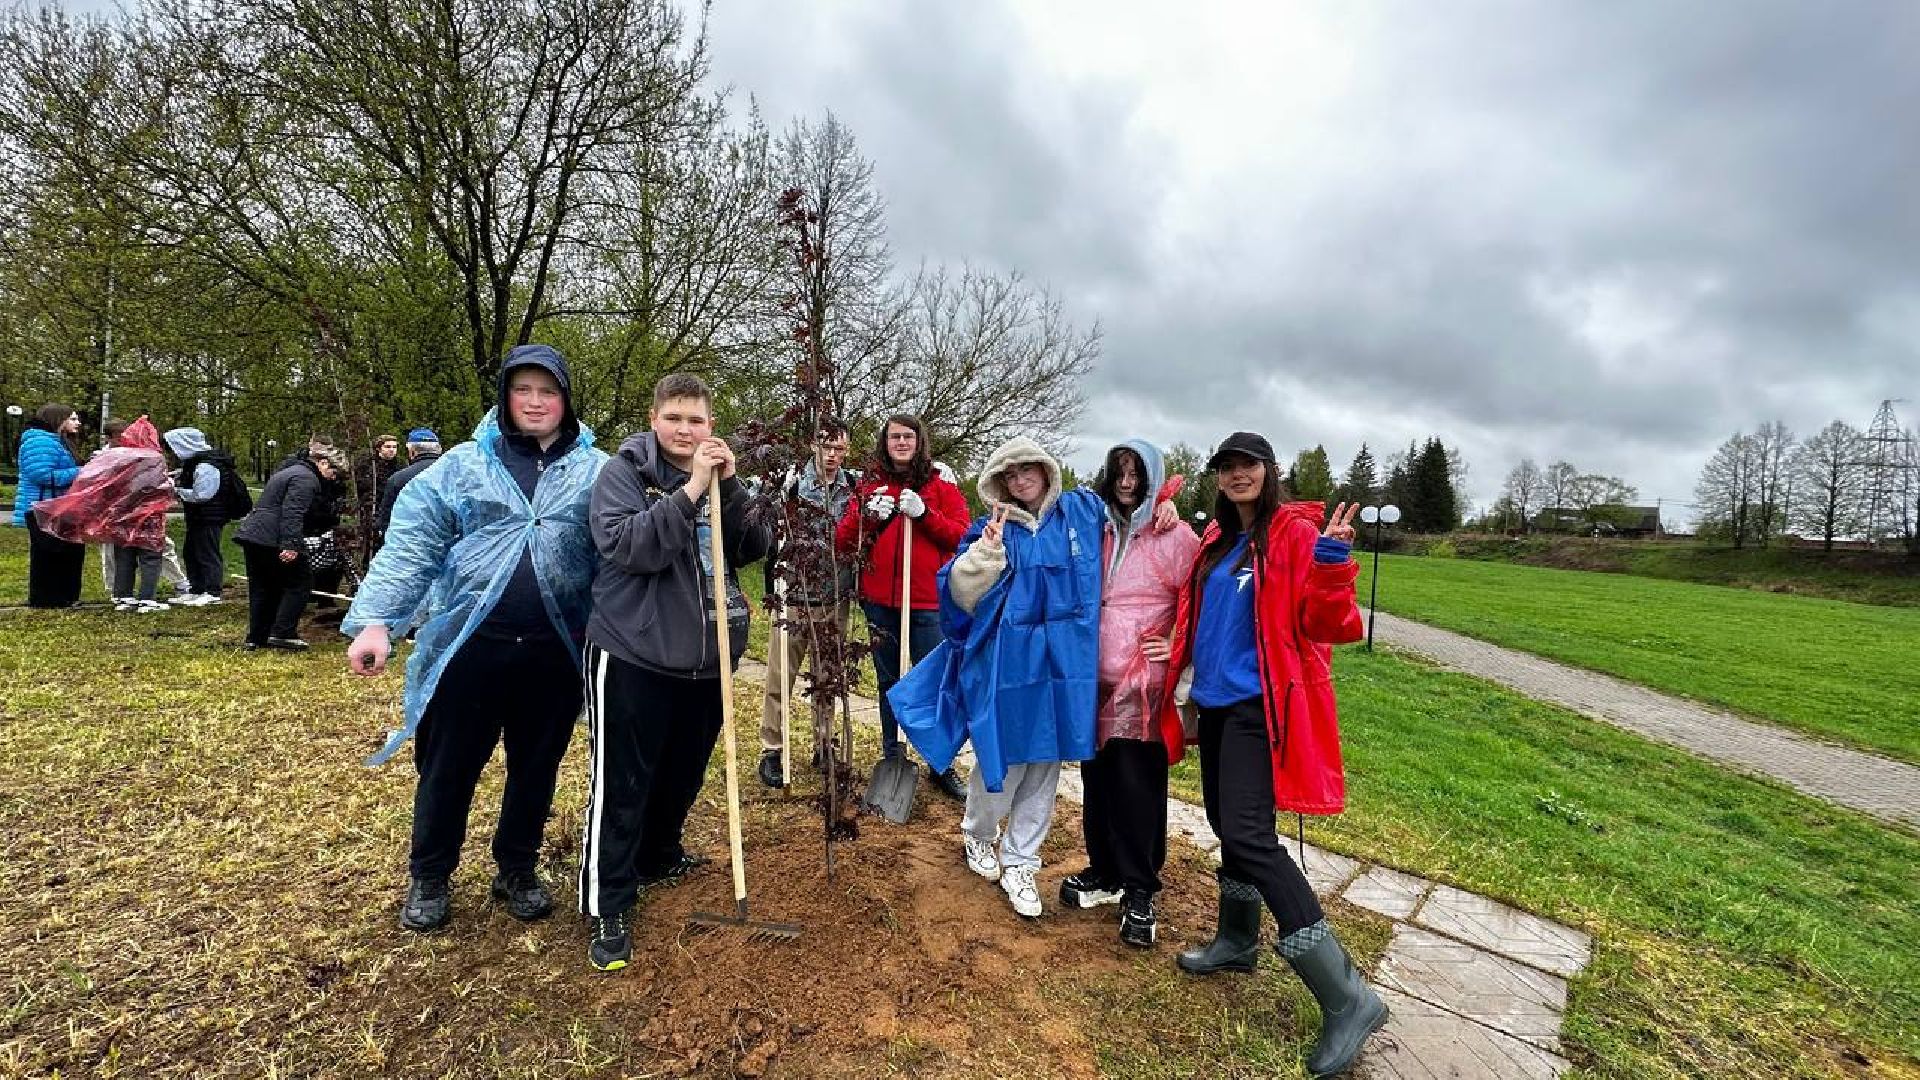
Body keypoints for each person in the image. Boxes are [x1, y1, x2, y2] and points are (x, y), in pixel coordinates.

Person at [345, 345, 607, 935]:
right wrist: (378, 621)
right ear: (505, 398)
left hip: (553, 650)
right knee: (449, 767)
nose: (536, 402)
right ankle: (430, 875)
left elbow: (629, 543)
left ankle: (516, 868)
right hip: (470, 646)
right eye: (524, 390)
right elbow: (412, 545)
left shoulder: (596, 473)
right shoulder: (463, 467)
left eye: (548, 391)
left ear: (566, 400)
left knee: (536, 768)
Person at [1153, 431, 1383, 1078]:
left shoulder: (1292, 536)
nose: (1236, 474)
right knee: (1230, 826)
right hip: (1219, 706)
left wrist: (1335, 563)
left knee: (1252, 838)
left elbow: (1330, 623)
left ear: (1268, 470)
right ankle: (1236, 940)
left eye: (1246, 464)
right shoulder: (1219, 542)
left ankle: (1348, 997)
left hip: (1261, 708)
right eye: (1225, 467)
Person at [578, 373, 772, 972]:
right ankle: (608, 901)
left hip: (706, 658)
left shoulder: (720, 477)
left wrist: (731, 488)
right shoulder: (624, 474)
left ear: (711, 425)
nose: (686, 430)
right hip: (633, 653)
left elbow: (751, 547)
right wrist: (689, 493)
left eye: (697, 421)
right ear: (654, 418)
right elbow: (631, 548)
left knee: (683, 771)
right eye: (675, 418)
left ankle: (658, 854)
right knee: (623, 781)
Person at [891, 435, 1107, 919]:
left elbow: (1124, 508)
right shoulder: (993, 529)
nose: (1019, 479)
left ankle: (1021, 861)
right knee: (1003, 760)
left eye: (1027, 469)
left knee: (1046, 767)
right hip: (1010, 666)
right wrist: (985, 556)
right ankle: (979, 833)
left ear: (1046, 471)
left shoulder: (1075, 517)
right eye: (1009, 474)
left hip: (1061, 667)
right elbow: (960, 596)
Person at [1059, 439, 1201, 948]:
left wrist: (1178, 644)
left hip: (1143, 681)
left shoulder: (1176, 535)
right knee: (1097, 779)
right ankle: (1105, 869)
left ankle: (1140, 886)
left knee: (1138, 783)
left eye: (1136, 473)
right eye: (1118, 471)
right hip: (1093, 676)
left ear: (1152, 477)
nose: (1126, 482)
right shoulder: (1095, 528)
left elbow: (1196, 598)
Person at [833, 414, 972, 799]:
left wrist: (925, 515)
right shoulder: (870, 485)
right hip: (881, 603)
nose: (901, 443)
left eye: (907, 436)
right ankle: (892, 755)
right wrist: (868, 517)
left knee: (934, 685)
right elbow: (844, 541)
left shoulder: (940, 486)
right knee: (889, 682)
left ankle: (939, 763)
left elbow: (962, 535)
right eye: (894, 436)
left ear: (918, 441)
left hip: (927, 601)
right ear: (886, 441)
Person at [757, 422, 860, 788]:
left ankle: (824, 745)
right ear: (813, 444)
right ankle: (772, 749)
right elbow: (753, 502)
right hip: (794, 597)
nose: (832, 455)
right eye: (826, 446)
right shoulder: (793, 484)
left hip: (835, 599)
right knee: (779, 677)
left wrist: (933, 481)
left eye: (839, 448)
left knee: (827, 678)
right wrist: (773, 489)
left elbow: (890, 482)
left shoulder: (855, 488)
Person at [31, 416, 177, 612]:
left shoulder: (118, 457)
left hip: (120, 515)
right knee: (150, 557)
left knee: (124, 556)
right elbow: (158, 487)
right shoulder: (154, 458)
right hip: (149, 517)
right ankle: (147, 598)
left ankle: (123, 595)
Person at [233, 444, 347, 649]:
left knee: (262, 587)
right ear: (322, 462)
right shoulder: (306, 479)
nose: (332, 477)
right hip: (274, 537)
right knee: (300, 583)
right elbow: (293, 512)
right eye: (333, 471)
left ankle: (257, 637)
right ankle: (283, 632)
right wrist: (291, 545)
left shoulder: (290, 471)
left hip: (254, 534)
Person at [164, 426, 250, 605]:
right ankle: (197, 588)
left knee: (207, 552)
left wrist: (177, 491)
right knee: (191, 551)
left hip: (210, 516)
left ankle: (212, 591)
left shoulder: (206, 465)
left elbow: (202, 494)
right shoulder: (197, 463)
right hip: (199, 516)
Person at [15, 404, 86, 608]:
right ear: (58, 419)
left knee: (69, 552)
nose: (77, 423)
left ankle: (65, 597)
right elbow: (42, 475)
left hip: (60, 506)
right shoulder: (39, 442)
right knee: (48, 555)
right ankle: (47, 599)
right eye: (72, 419)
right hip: (43, 508)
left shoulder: (58, 442)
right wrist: (80, 472)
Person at [377, 429, 443, 536]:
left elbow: (387, 520)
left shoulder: (398, 479)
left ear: (412, 451)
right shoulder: (456, 475)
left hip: (411, 542)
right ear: (439, 449)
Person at [354, 433, 401, 566]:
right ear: (379, 448)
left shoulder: (400, 467)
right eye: (388, 447)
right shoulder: (369, 466)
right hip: (371, 510)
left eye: (394, 447)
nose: (392, 450)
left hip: (393, 511)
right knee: (371, 547)